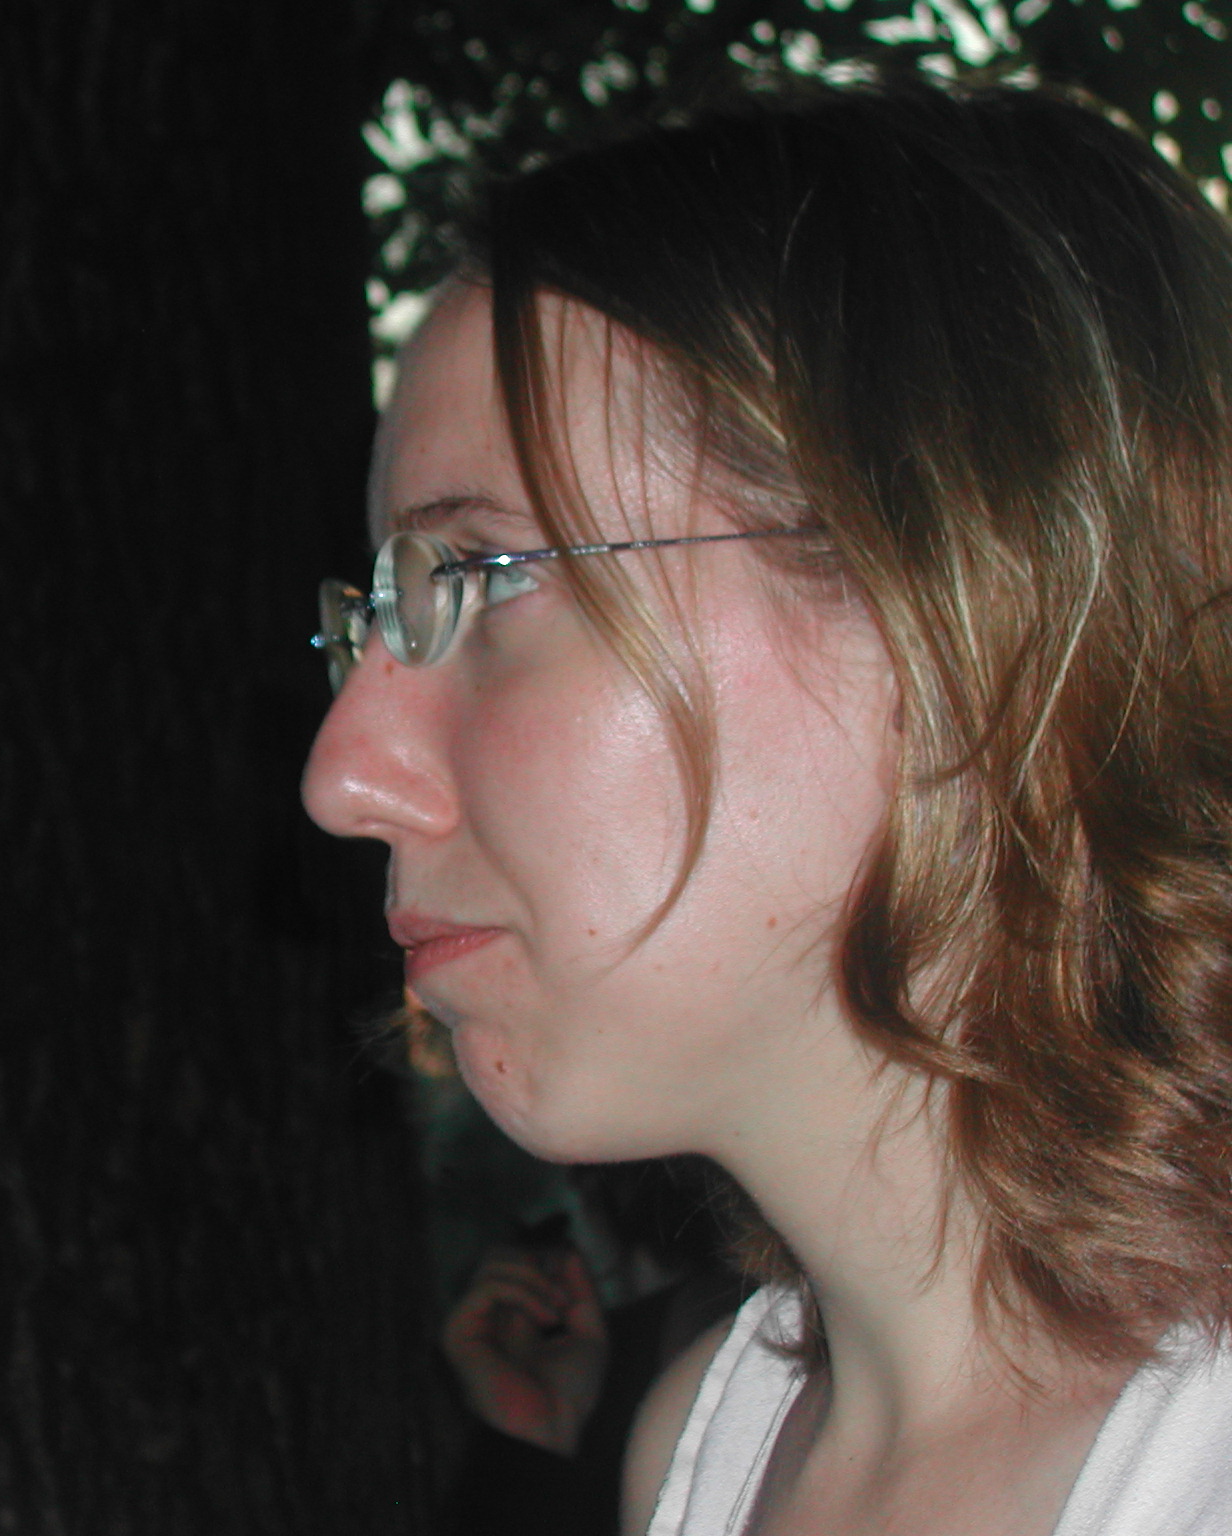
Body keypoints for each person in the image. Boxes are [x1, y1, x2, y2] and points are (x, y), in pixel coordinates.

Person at [304, 72, 1232, 1536]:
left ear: (958, 604)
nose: (342, 775)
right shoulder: (708, 1443)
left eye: (477, 584)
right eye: (371, 625)